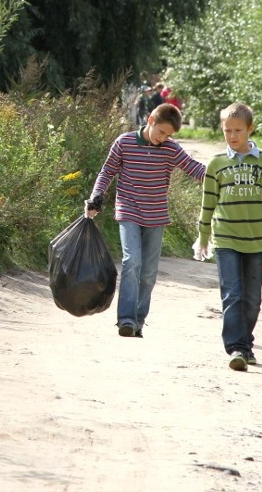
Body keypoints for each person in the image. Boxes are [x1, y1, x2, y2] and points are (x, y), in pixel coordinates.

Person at [85, 103, 206, 338]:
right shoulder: (124, 142)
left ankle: (138, 320)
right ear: (151, 119)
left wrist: (221, 174)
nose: (164, 138)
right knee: (132, 262)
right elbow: (107, 171)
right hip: (128, 210)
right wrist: (96, 196)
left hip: (156, 215)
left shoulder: (171, 149)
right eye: (161, 132)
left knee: (149, 272)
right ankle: (126, 320)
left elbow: (193, 168)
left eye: (168, 135)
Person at [196, 102, 262, 371]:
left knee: (252, 298)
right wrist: (203, 236)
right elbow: (208, 203)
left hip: (255, 240)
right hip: (226, 238)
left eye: (238, 130)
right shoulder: (216, 164)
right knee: (233, 293)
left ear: (250, 129)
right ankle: (237, 348)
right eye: (227, 130)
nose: (232, 136)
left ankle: (246, 342)